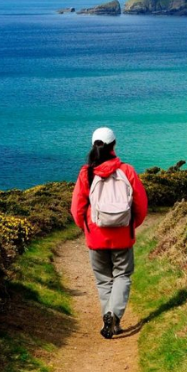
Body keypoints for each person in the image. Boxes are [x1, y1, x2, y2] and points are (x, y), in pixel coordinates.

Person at [70, 127, 148, 339]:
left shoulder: (86, 173)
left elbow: (77, 208)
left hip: (95, 236)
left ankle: (109, 318)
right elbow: (141, 205)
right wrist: (131, 225)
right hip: (123, 235)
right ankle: (114, 317)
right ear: (114, 145)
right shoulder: (127, 171)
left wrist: (86, 228)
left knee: (104, 280)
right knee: (122, 275)